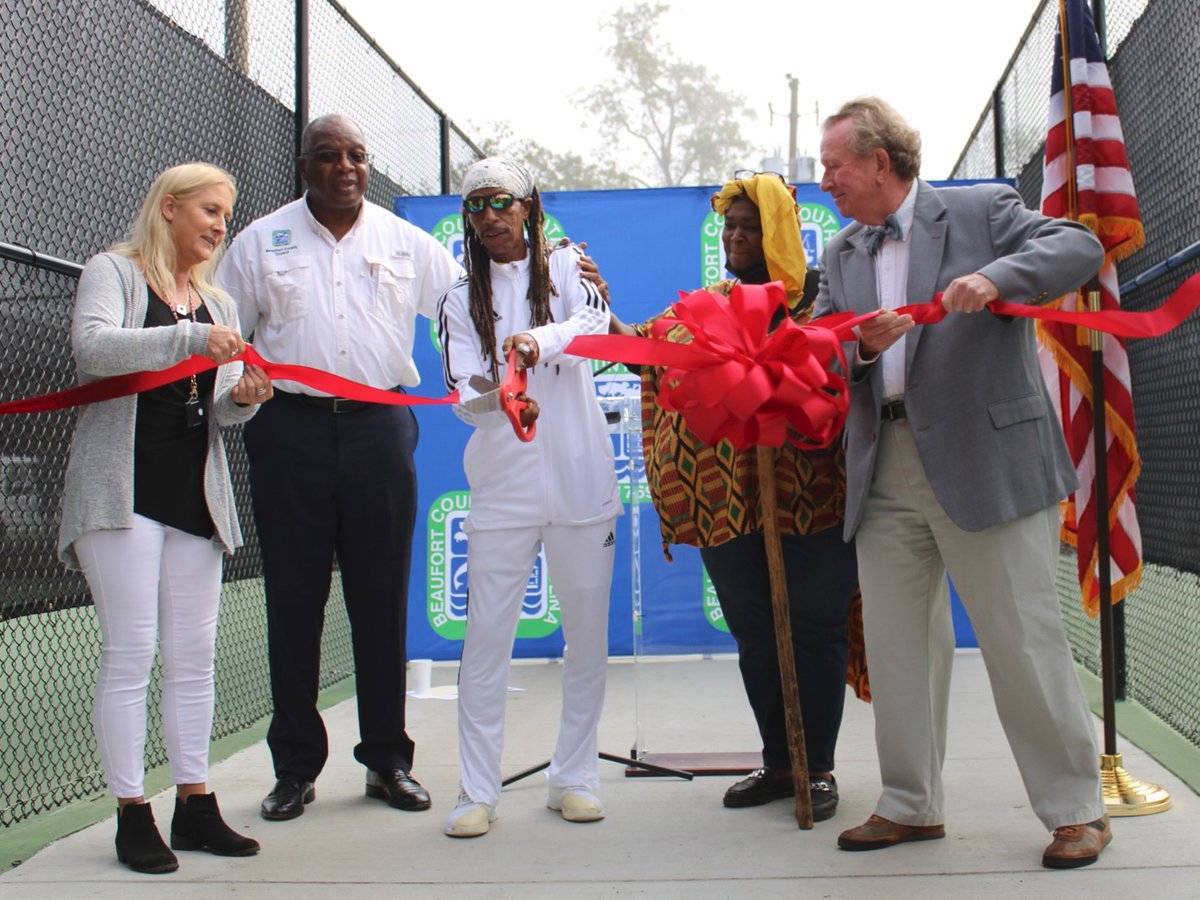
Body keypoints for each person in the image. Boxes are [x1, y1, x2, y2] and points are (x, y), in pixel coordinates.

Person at [813, 96, 1110, 868]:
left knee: (1021, 640)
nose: (824, 181)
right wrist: (865, 352)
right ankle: (910, 804)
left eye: (834, 166)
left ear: (879, 161)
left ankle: (1077, 808)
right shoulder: (842, 253)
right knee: (899, 648)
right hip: (884, 471)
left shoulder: (983, 210)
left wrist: (996, 275)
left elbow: (1077, 246)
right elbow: (820, 351)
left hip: (989, 462)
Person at [216, 115, 464, 820]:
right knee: (293, 601)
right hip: (287, 430)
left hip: (378, 429)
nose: (346, 167)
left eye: (357, 155)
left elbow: (465, 312)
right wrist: (240, 385)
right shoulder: (261, 240)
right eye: (330, 156)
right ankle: (294, 768)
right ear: (305, 166)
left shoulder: (404, 241)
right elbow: (230, 331)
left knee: (380, 600)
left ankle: (388, 760)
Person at [609, 172, 862, 822]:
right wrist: (595, 304)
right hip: (728, 500)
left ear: (777, 230)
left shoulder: (817, 305)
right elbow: (644, 351)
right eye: (729, 225)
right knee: (756, 631)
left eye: (749, 225)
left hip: (814, 495)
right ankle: (781, 763)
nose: (735, 236)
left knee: (814, 629)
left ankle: (819, 767)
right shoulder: (706, 307)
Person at [58, 162, 272, 874]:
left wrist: (244, 396)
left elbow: (218, 414)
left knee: (193, 657)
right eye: (210, 211)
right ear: (170, 208)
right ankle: (131, 811)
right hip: (121, 493)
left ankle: (196, 803)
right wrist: (187, 339)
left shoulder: (219, 302)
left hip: (193, 494)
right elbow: (92, 350)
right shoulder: (112, 272)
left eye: (227, 215)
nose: (219, 226)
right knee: (131, 653)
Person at [436, 157, 620, 838]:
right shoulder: (458, 298)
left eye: (501, 202)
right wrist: (499, 398)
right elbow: (464, 395)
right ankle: (476, 791)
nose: (489, 216)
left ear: (528, 205)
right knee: (486, 642)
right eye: (477, 205)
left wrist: (536, 342)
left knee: (587, 641)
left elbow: (596, 332)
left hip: (581, 481)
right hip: (502, 488)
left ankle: (574, 778)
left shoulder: (571, 268)